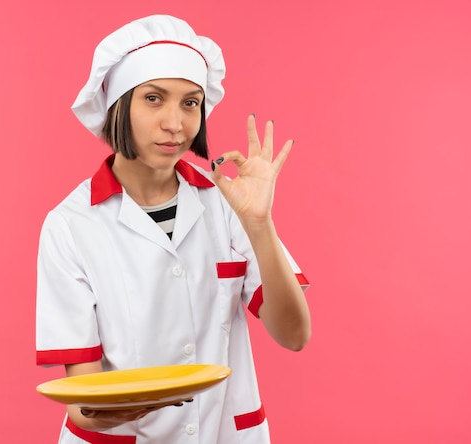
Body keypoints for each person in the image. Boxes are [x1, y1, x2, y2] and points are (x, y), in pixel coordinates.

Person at [36, 14, 311, 444]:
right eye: (153, 98)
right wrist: (124, 407)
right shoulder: (70, 226)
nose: (175, 123)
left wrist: (259, 225)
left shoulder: (225, 204)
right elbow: (82, 404)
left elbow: (294, 335)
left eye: (190, 102)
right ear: (117, 106)